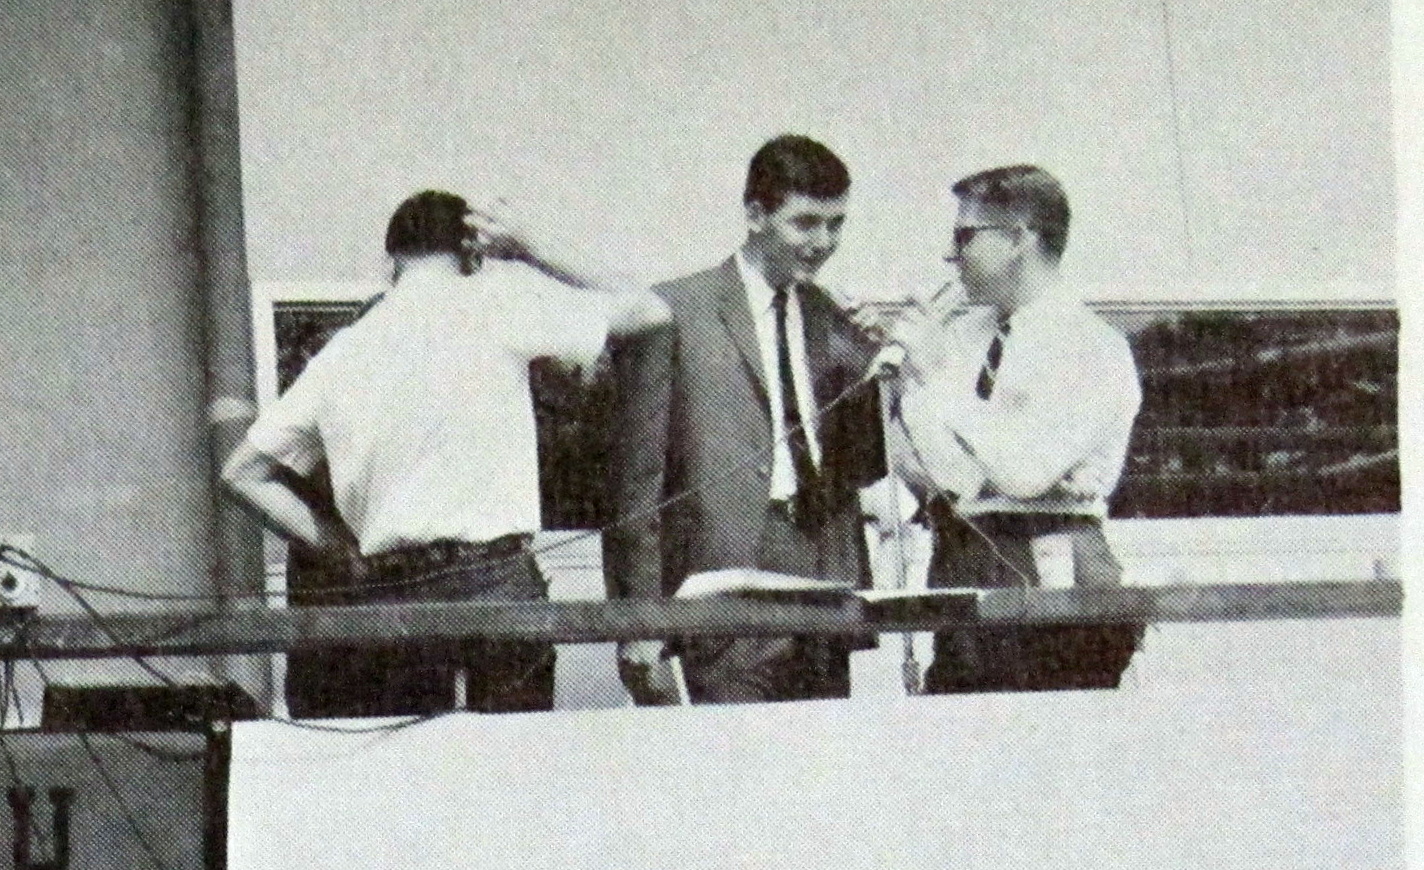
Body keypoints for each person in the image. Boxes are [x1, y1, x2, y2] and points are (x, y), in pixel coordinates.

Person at [222, 189, 666, 719]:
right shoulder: (500, 305)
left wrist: (340, 547)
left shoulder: (344, 350)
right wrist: (530, 248)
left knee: (414, 783)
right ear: (473, 255)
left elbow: (242, 473)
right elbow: (650, 309)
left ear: (391, 261)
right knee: (511, 780)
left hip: (391, 594)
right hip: (495, 584)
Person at [607, 135, 889, 706]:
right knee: (733, 769)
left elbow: (862, 467)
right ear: (756, 215)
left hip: (821, 570)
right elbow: (636, 483)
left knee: (820, 766)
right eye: (805, 223)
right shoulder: (674, 309)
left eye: (836, 225)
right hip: (722, 575)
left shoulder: (831, 315)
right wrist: (637, 622)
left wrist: (870, 360)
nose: (824, 243)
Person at [884, 164, 1144, 692]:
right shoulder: (965, 339)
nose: (949, 255)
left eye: (965, 236)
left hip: (1054, 565)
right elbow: (948, 477)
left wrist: (939, 376)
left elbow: (1023, 473)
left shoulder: (1092, 347)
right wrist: (909, 383)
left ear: (1018, 239)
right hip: (965, 559)